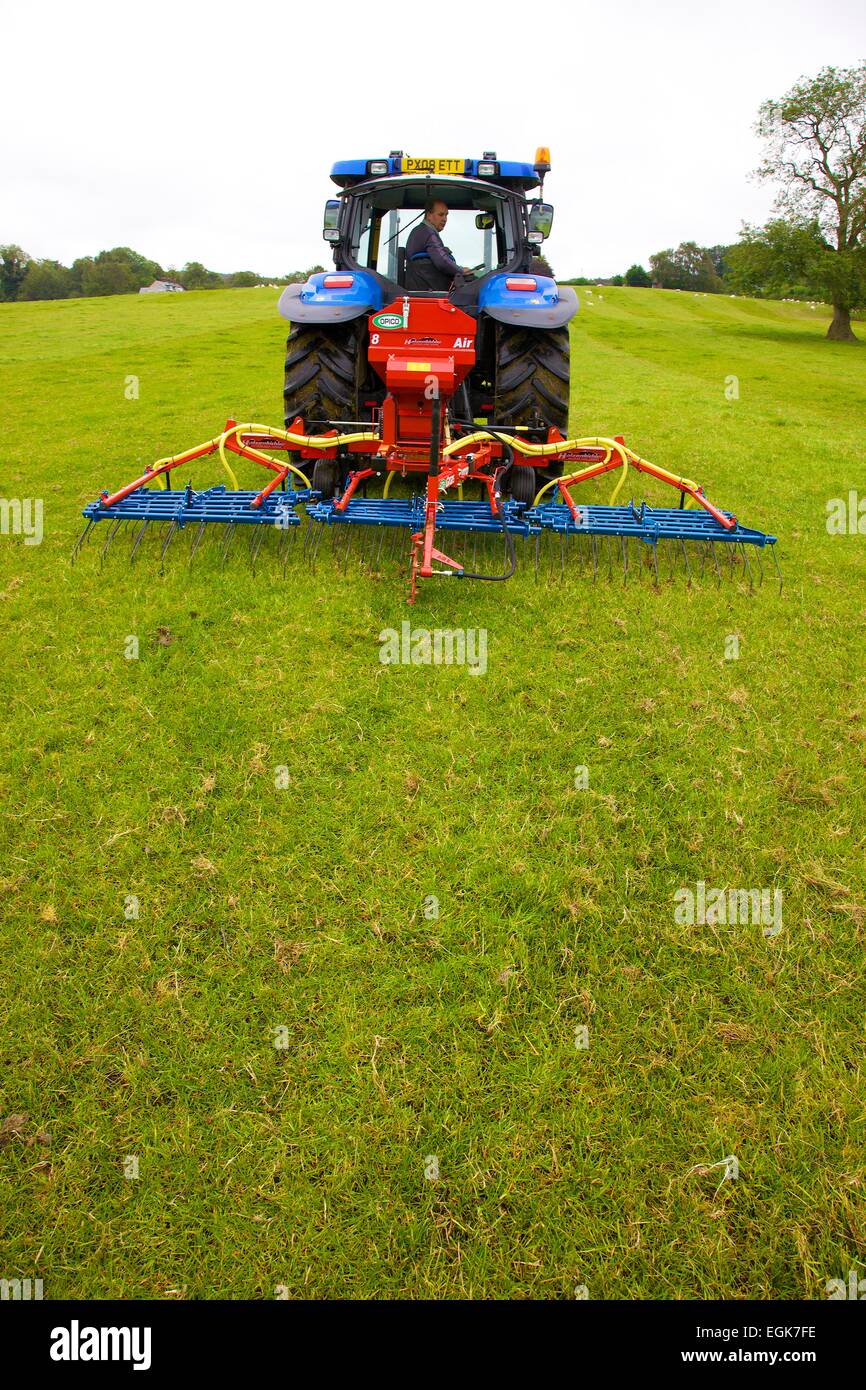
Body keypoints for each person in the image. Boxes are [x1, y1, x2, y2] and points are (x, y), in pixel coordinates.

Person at [404, 200, 474, 291]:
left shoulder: (417, 231)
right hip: (429, 290)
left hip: (416, 288)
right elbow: (442, 260)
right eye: (441, 215)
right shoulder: (429, 233)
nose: (444, 219)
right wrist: (460, 271)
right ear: (429, 215)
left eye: (446, 215)